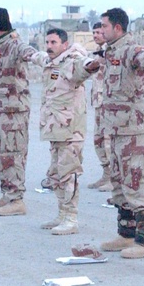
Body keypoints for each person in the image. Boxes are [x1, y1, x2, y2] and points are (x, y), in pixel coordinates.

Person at [84, 8, 144, 259]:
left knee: (134, 183)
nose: (101, 30)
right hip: (116, 128)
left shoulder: (131, 49)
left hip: (132, 129)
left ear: (117, 28)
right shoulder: (110, 51)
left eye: (105, 26)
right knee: (119, 183)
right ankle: (126, 233)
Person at [0, 8, 40, 216]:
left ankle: (17, 200)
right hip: (3, 109)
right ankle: (8, 194)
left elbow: (28, 52)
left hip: (15, 110)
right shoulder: (0, 44)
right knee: (1, 153)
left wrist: (41, 58)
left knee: (13, 153)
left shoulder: (14, 44)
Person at [39, 28, 93, 235]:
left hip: (71, 131)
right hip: (55, 129)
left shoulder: (72, 61)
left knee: (68, 174)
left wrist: (92, 65)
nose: (49, 46)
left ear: (64, 44)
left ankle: (71, 218)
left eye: (54, 42)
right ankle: (62, 214)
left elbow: (84, 67)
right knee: (56, 174)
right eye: (48, 42)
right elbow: (37, 57)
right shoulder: (53, 63)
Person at [86, 22, 114, 192]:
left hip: (108, 103)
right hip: (98, 103)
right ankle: (106, 173)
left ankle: (114, 178)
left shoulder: (111, 51)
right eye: (94, 32)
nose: (95, 35)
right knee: (98, 141)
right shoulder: (97, 53)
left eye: (99, 32)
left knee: (109, 142)